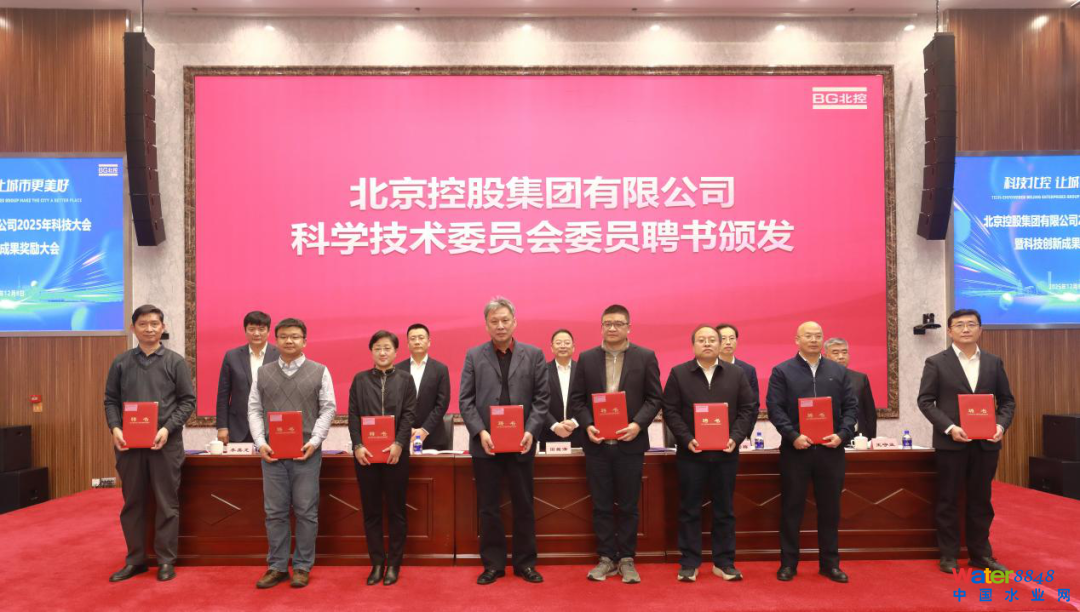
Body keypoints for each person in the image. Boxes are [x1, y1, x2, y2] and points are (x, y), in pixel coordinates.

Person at [568, 304, 662, 583]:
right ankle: (606, 558)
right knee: (601, 505)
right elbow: (576, 400)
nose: (612, 328)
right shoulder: (587, 358)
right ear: (601, 327)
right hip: (597, 444)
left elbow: (654, 398)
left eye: (618, 323)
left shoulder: (645, 357)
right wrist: (588, 425)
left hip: (630, 444)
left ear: (629, 327)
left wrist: (637, 425)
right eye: (607, 323)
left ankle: (627, 559)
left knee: (629, 505)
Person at [459, 296, 550, 585]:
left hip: (522, 443)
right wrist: (481, 432)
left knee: (524, 505)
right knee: (488, 507)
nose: (500, 325)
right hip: (486, 445)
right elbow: (465, 400)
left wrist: (531, 430)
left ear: (514, 322)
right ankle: (493, 565)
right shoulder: (474, 355)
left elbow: (542, 399)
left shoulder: (533, 355)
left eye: (505, 320)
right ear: (486, 325)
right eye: (494, 321)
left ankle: (525, 564)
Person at [917, 308, 1015, 575]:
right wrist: (949, 428)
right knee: (948, 499)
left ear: (980, 330)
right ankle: (948, 555)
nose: (966, 329)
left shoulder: (993, 362)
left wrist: (1000, 425)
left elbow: (1007, 401)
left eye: (971, 324)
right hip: (951, 444)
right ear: (950, 331)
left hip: (986, 444)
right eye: (959, 325)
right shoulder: (936, 362)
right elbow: (925, 401)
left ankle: (980, 554)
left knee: (981, 500)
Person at [104, 304, 195, 583]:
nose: (149, 329)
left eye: (155, 324)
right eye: (142, 324)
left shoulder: (175, 362)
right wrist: (115, 428)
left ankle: (166, 560)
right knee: (133, 503)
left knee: (167, 504)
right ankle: (136, 560)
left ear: (163, 327)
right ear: (133, 328)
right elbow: (110, 400)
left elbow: (187, 401)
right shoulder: (121, 362)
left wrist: (167, 429)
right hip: (129, 447)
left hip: (165, 445)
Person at [663, 324, 758, 582]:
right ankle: (689, 562)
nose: (707, 344)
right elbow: (670, 410)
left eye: (712, 340)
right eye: (701, 340)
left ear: (719, 344)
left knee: (724, 509)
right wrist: (687, 439)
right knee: (689, 509)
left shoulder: (736, 374)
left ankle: (724, 562)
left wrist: (735, 438)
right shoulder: (679, 373)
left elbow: (748, 409)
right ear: (693, 345)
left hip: (726, 454)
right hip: (691, 454)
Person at [766, 321, 858, 584]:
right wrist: (793, 436)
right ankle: (788, 564)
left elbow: (851, 408)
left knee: (830, 510)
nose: (814, 340)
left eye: (818, 336)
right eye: (808, 336)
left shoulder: (838, 371)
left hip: (831, 450)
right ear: (797, 339)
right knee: (792, 508)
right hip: (796, 451)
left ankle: (830, 564)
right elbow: (775, 408)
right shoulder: (782, 371)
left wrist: (842, 434)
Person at [247, 317, 336, 589]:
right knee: (274, 512)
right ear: (276, 341)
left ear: (304, 341)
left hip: (306, 454)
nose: (289, 341)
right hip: (272, 454)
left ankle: (302, 566)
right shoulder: (263, 372)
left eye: (295, 336)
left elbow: (328, 408)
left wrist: (315, 441)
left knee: (306, 511)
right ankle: (276, 566)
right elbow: (254, 409)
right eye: (284, 336)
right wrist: (260, 442)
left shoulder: (320, 371)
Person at [350, 330, 417, 586]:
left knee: (397, 511)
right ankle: (377, 563)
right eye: (377, 348)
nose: (382, 352)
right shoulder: (360, 380)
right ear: (371, 351)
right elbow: (353, 415)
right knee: (372, 512)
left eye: (387, 348)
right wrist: (357, 445)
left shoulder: (405, 379)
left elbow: (409, 415)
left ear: (396, 352)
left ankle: (394, 564)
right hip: (366, 456)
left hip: (396, 456)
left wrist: (399, 443)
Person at [215, 311, 279, 444]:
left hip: (271, 427)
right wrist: (222, 426)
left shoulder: (280, 355)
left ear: (268, 331)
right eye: (252, 329)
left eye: (261, 329)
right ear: (245, 331)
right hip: (239, 427)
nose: (256, 333)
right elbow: (223, 395)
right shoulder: (232, 356)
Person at [396, 323, 451, 451]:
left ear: (429, 342)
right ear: (407, 343)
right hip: (403, 437)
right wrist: (406, 429)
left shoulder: (440, 369)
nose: (417, 342)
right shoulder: (397, 370)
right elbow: (394, 403)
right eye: (413, 338)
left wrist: (424, 430)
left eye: (421, 338)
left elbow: (442, 404)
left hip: (433, 437)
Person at [823, 337, 877, 439]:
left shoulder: (860, 378)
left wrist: (870, 439)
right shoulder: (818, 379)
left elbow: (870, 414)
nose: (841, 356)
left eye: (844, 352)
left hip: (857, 437)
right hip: (829, 437)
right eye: (835, 353)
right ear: (825, 356)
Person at [540, 328, 582, 449]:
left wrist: (574, 422)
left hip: (578, 434)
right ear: (552, 348)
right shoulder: (542, 371)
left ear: (573, 347)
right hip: (548, 434)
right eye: (558, 343)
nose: (563, 346)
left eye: (567, 343)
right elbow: (537, 401)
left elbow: (588, 401)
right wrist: (554, 425)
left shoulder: (582, 370)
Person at [716, 323, 760, 407]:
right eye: (723, 338)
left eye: (732, 338)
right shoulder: (708, 367)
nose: (728, 342)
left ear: (736, 341)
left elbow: (753, 404)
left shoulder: (748, 370)